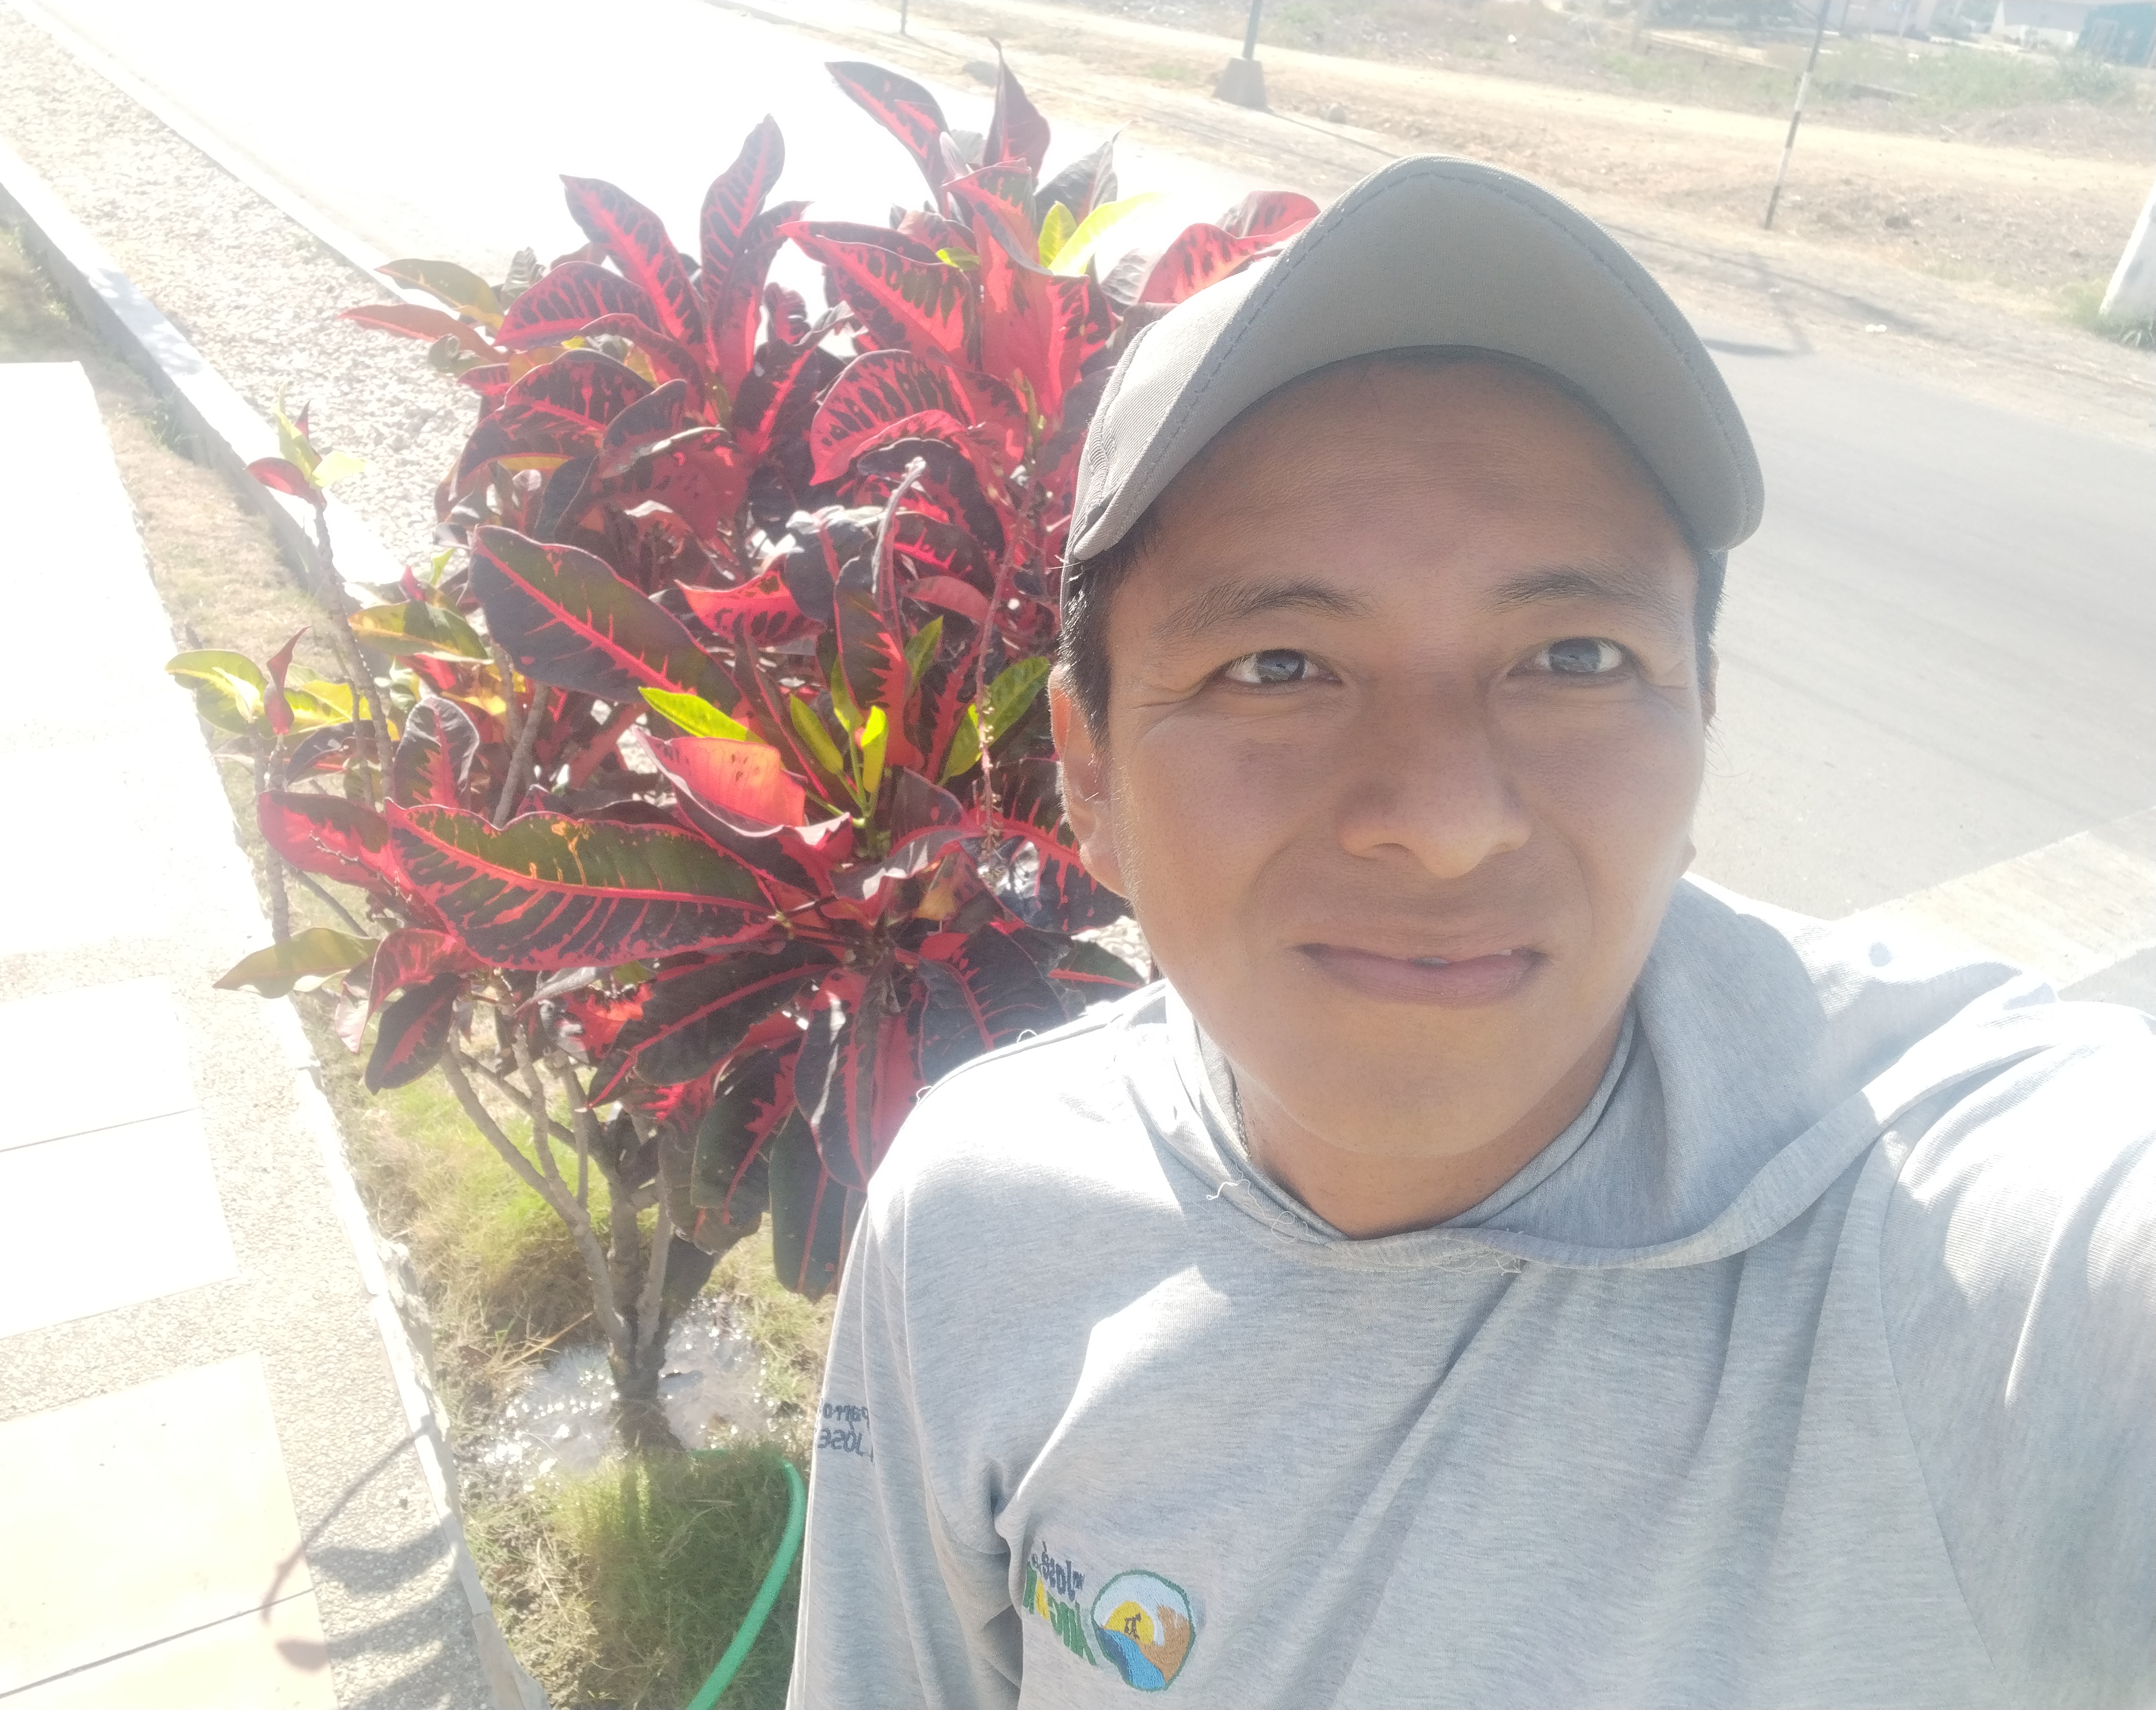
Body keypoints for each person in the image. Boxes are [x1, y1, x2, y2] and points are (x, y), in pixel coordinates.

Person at [787, 157, 2154, 1708]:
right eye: (1278, 666)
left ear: (1701, 723)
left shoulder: (1973, 1239)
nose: (1446, 820)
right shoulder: (975, 1218)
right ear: (1088, 773)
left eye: (1575, 656)